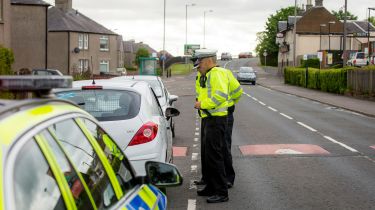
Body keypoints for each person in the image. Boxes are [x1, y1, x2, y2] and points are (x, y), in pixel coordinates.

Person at [194, 57, 243, 189]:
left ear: (208, 62)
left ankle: (227, 178)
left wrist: (228, 104)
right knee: (206, 149)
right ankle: (208, 178)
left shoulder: (222, 73)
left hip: (222, 114)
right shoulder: (202, 75)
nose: (198, 68)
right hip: (208, 114)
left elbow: (237, 91)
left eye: (200, 65)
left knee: (222, 147)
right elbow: (201, 92)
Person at [192, 49, 230, 203]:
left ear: (208, 60)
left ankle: (222, 192)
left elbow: (221, 95)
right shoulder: (207, 74)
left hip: (216, 120)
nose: (197, 65)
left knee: (215, 157)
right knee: (208, 157)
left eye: (199, 62)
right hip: (209, 119)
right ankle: (211, 187)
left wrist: (202, 104)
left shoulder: (216, 73)